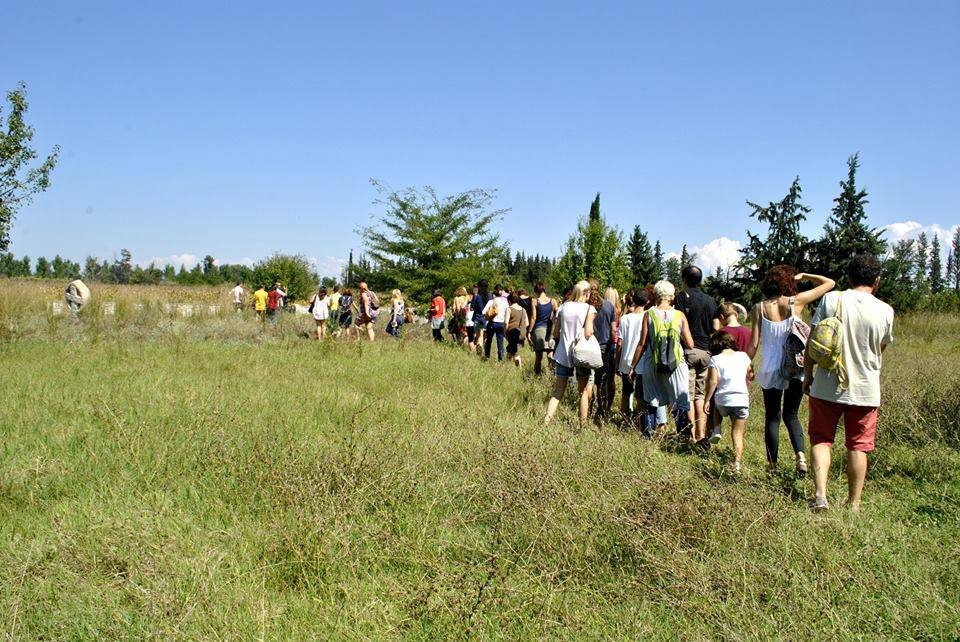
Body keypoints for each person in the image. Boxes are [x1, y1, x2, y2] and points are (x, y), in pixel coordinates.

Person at [805, 254, 893, 513]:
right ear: (876, 281)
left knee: (821, 439)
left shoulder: (832, 299)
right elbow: (880, 348)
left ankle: (820, 495)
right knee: (858, 445)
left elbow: (813, 342)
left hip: (827, 383)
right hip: (866, 389)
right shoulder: (885, 310)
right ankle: (853, 504)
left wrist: (808, 375)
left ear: (849, 277)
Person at [750, 266, 835, 475]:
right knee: (791, 415)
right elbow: (829, 283)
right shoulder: (795, 301)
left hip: (769, 368)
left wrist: (747, 363)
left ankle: (772, 466)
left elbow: (754, 342)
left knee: (772, 417)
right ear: (789, 282)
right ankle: (801, 457)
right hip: (794, 366)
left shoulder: (758, 308)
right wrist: (806, 276)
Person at [630, 280, 695, 440]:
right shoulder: (679, 315)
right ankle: (684, 437)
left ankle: (647, 437)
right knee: (680, 401)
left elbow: (642, 344)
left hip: (653, 363)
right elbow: (690, 344)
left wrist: (633, 366)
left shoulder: (649, 314)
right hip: (676, 364)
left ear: (656, 295)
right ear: (672, 296)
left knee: (651, 400)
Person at [674, 266, 719, 444]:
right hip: (707, 352)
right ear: (700, 280)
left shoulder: (680, 299)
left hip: (688, 351)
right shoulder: (710, 300)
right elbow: (715, 327)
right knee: (701, 396)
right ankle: (702, 435)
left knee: (690, 396)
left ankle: (691, 435)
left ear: (684, 279)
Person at [544, 280, 596, 429]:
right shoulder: (589, 309)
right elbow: (588, 332)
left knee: (558, 390)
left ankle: (546, 422)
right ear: (586, 293)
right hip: (581, 355)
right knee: (583, 392)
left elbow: (555, 332)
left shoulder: (563, 307)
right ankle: (582, 427)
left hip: (562, 354)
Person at [704, 331, 755, 472]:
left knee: (716, 409)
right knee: (737, 434)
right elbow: (751, 376)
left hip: (723, 399)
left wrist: (707, 400)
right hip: (741, 399)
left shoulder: (715, 359)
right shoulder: (744, 356)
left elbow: (713, 381)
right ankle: (736, 463)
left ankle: (717, 429)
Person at [586, 278, 617, 420]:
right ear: (600, 288)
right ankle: (602, 411)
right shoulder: (609, 306)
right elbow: (613, 330)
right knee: (603, 382)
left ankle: (587, 409)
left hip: (587, 348)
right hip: (604, 349)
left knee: (588, 382)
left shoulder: (585, 305)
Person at [615, 290, 646, 426]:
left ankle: (625, 418)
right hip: (641, 360)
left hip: (626, 359)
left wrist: (617, 362)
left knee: (626, 392)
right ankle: (639, 422)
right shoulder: (648, 317)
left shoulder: (625, 319)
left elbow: (620, 342)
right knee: (640, 395)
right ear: (647, 301)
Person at [529, 283, 558, 375]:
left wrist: (529, 331)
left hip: (539, 330)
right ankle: (552, 376)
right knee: (550, 355)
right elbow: (557, 314)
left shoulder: (535, 301)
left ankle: (537, 376)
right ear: (544, 290)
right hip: (550, 331)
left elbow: (533, 317)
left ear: (536, 291)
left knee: (538, 357)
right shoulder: (553, 301)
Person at [482, 285, 510, 360]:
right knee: (500, 342)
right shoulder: (505, 302)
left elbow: (483, 312)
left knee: (488, 341)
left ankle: (486, 356)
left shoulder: (491, 301)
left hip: (492, 323)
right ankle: (501, 358)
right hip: (501, 324)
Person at [504, 292, 529, 367]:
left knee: (515, 352)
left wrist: (505, 332)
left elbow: (506, 322)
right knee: (510, 348)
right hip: (522, 333)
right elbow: (527, 323)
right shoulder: (523, 310)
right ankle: (507, 365)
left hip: (512, 333)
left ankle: (518, 363)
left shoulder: (509, 309)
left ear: (509, 301)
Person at [471, 281, 490, 353]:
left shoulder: (477, 296)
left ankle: (480, 345)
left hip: (478, 318)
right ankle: (486, 352)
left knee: (479, 336)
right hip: (486, 319)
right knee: (485, 337)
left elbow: (472, 308)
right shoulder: (490, 296)